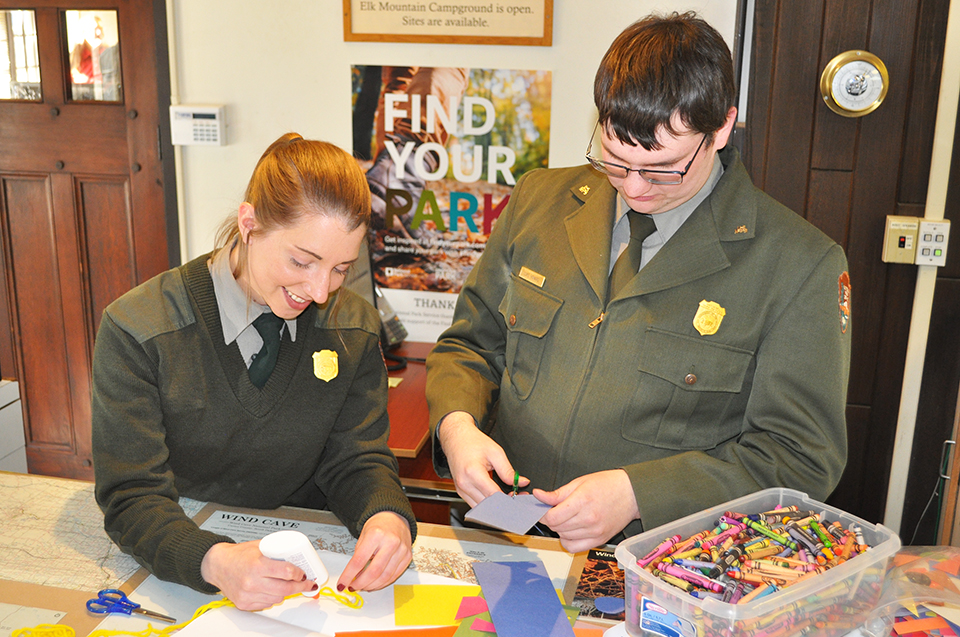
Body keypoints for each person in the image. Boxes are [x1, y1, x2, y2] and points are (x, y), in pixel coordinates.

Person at [425, 12, 851, 553]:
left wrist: (638, 493)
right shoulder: (539, 200)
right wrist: (457, 427)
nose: (635, 188)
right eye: (615, 162)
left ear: (721, 127)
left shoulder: (797, 264)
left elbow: (800, 455)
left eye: (662, 169)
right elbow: (469, 345)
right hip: (506, 531)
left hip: (665, 560)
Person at [92, 133, 417, 610]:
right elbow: (132, 496)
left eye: (341, 269)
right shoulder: (139, 330)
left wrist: (385, 516)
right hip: (180, 560)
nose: (321, 291)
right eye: (302, 261)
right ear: (250, 224)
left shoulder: (354, 327)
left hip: (305, 573)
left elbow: (356, 459)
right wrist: (215, 562)